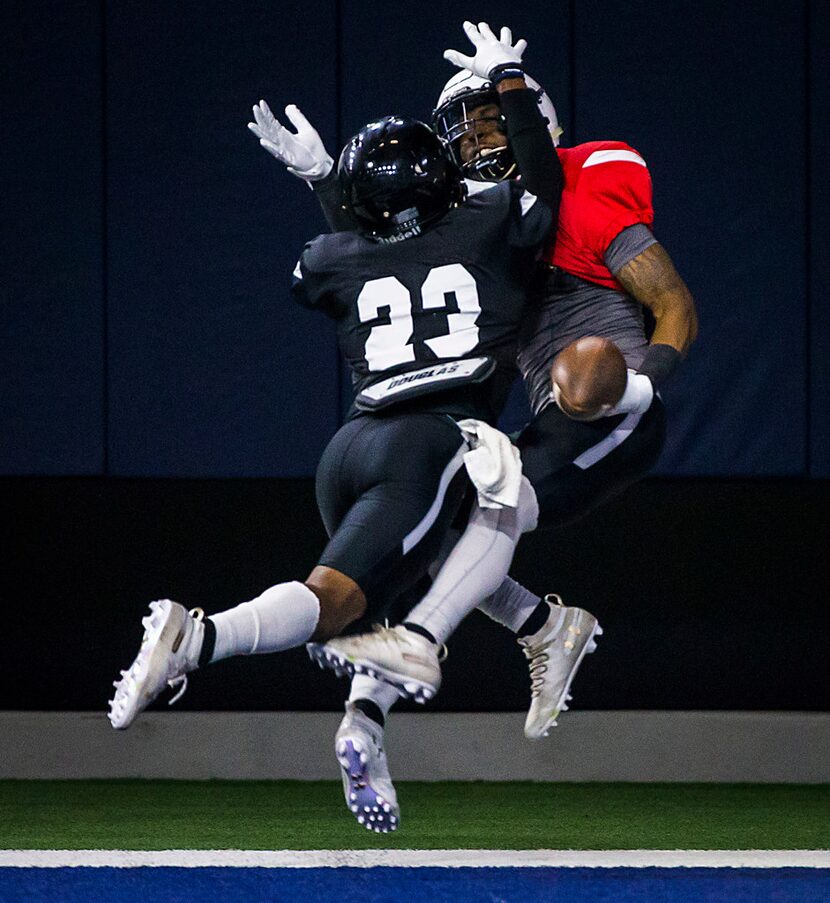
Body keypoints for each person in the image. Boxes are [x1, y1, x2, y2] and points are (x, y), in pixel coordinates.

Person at [253, 20, 698, 830]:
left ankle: (430, 637)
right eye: (465, 128)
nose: (476, 139)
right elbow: (387, 261)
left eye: (492, 120)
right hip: (552, 413)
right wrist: (325, 178)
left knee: (491, 489)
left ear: (536, 119)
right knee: (443, 510)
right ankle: (531, 631)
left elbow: (673, 303)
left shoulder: (588, 188)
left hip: (606, 404)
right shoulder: (481, 218)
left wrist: (639, 387)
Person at [110, 43, 562, 835]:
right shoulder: (491, 219)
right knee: (474, 520)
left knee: (384, 598)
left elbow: (389, 247)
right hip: (430, 442)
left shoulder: (334, 254)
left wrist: (324, 182)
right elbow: (537, 193)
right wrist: (514, 93)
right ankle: (197, 635)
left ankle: (367, 727)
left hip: (349, 450)